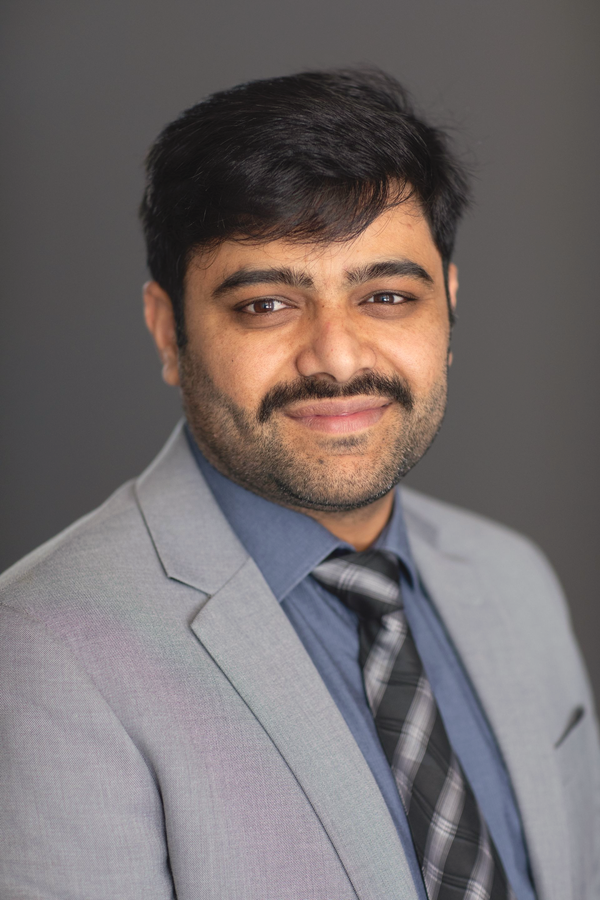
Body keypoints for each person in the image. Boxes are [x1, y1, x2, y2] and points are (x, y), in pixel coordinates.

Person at [1, 68, 598, 900]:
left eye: (387, 296)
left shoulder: (514, 580)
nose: (339, 357)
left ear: (450, 308)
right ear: (169, 330)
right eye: (267, 306)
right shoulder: (39, 655)